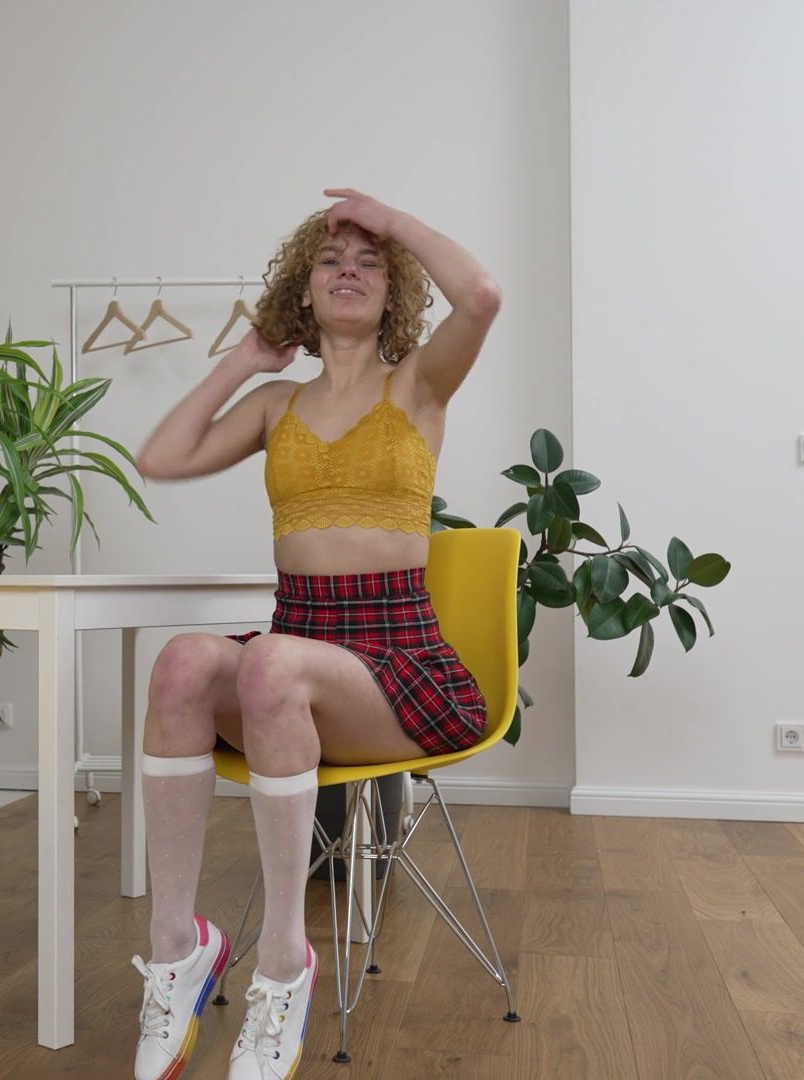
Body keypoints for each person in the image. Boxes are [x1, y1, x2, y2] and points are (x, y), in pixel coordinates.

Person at [126, 188, 502, 1079]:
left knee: (272, 666)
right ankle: (178, 947)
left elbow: (482, 294)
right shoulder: (276, 406)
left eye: (370, 262)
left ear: (394, 290)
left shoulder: (420, 383)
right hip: (295, 657)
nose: (349, 270)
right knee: (181, 662)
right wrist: (244, 361)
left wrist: (392, 220)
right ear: (304, 288)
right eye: (332, 260)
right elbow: (159, 458)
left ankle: (285, 962)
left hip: (397, 663)